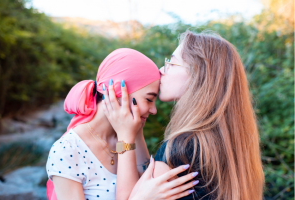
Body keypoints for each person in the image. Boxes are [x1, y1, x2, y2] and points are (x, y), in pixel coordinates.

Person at [102, 30, 265, 200]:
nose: (161, 70)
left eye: (171, 63)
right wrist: (136, 129)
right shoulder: (225, 146)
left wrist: (124, 137)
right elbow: (145, 174)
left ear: (197, 73)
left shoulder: (182, 150)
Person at [46, 48, 199, 200]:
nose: (153, 110)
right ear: (119, 92)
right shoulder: (67, 151)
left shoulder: (127, 134)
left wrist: (134, 132)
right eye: (149, 99)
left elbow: (146, 178)